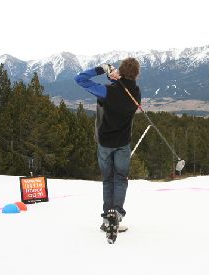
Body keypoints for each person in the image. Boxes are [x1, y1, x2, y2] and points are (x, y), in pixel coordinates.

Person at [74, 58, 141, 232]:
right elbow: (123, 88)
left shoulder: (106, 92)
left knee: (108, 180)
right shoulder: (136, 94)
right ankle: (116, 214)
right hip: (123, 142)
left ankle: (107, 219)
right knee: (120, 179)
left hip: (105, 142)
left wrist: (101, 69)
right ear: (136, 75)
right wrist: (114, 77)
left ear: (120, 71)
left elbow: (80, 79)